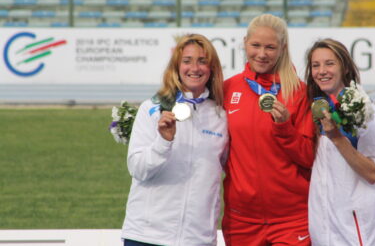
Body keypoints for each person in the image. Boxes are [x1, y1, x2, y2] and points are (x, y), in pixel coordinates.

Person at [121, 34, 228, 246]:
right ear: (176, 66)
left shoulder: (221, 116)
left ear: (212, 68)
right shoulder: (152, 108)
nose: (194, 68)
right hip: (147, 236)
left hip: (198, 239)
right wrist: (163, 142)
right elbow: (137, 169)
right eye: (187, 61)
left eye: (202, 61)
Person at [222, 14, 315, 245]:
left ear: (282, 48)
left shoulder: (300, 92)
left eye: (270, 47)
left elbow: (308, 156)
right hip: (242, 219)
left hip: (292, 218)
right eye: (255, 45)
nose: (262, 54)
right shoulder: (228, 88)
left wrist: (284, 127)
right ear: (245, 43)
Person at [305, 38, 375, 246]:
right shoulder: (316, 107)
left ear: (344, 67)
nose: (322, 71)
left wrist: (336, 138)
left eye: (329, 63)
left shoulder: (365, 111)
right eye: (315, 65)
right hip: (323, 226)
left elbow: (373, 173)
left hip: (358, 230)